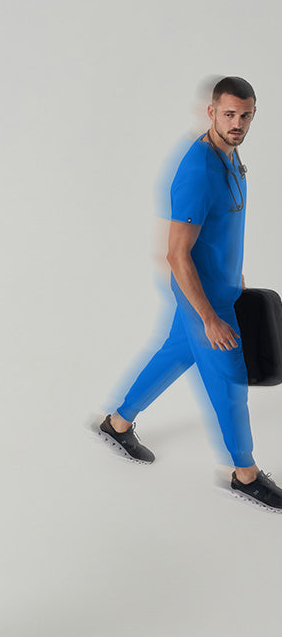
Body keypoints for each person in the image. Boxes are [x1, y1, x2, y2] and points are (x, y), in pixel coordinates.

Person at [99, 78, 282, 510]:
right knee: (230, 385)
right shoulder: (199, 171)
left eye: (245, 115)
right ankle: (245, 475)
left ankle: (117, 423)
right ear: (211, 112)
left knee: (175, 353)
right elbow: (176, 254)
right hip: (203, 298)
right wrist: (209, 317)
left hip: (221, 290)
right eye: (229, 114)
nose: (237, 124)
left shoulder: (228, 154)